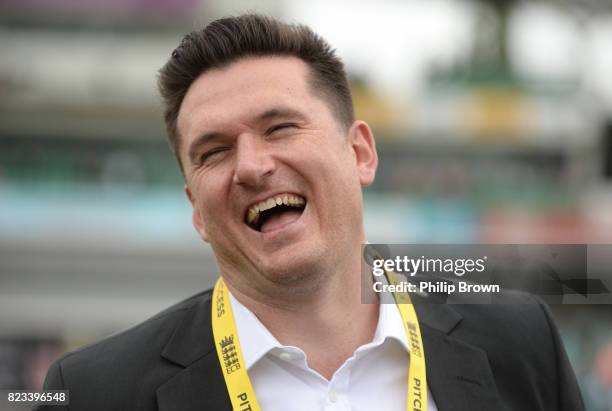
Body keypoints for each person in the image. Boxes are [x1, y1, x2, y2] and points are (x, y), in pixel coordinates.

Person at [38, 14, 584, 410]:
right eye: (213, 152)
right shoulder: (91, 393)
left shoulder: (520, 342)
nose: (251, 166)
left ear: (360, 153)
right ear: (196, 211)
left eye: (280, 128)